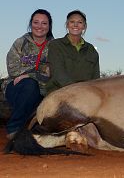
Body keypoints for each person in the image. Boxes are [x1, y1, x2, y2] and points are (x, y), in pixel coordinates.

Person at [2, 9, 54, 139]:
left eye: (44, 23)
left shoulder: (55, 46)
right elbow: (13, 69)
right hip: (17, 86)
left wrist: (30, 75)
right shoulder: (20, 42)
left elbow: (53, 71)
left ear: (49, 26)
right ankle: (14, 128)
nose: (39, 26)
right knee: (30, 86)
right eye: (36, 22)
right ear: (31, 24)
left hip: (43, 88)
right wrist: (34, 76)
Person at [45, 10, 100, 94]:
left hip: (86, 95)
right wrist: (76, 91)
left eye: (80, 22)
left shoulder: (91, 50)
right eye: (72, 22)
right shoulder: (55, 45)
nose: (75, 25)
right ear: (67, 24)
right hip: (59, 93)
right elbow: (58, 74)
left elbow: (96, 79)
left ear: (84, 26)